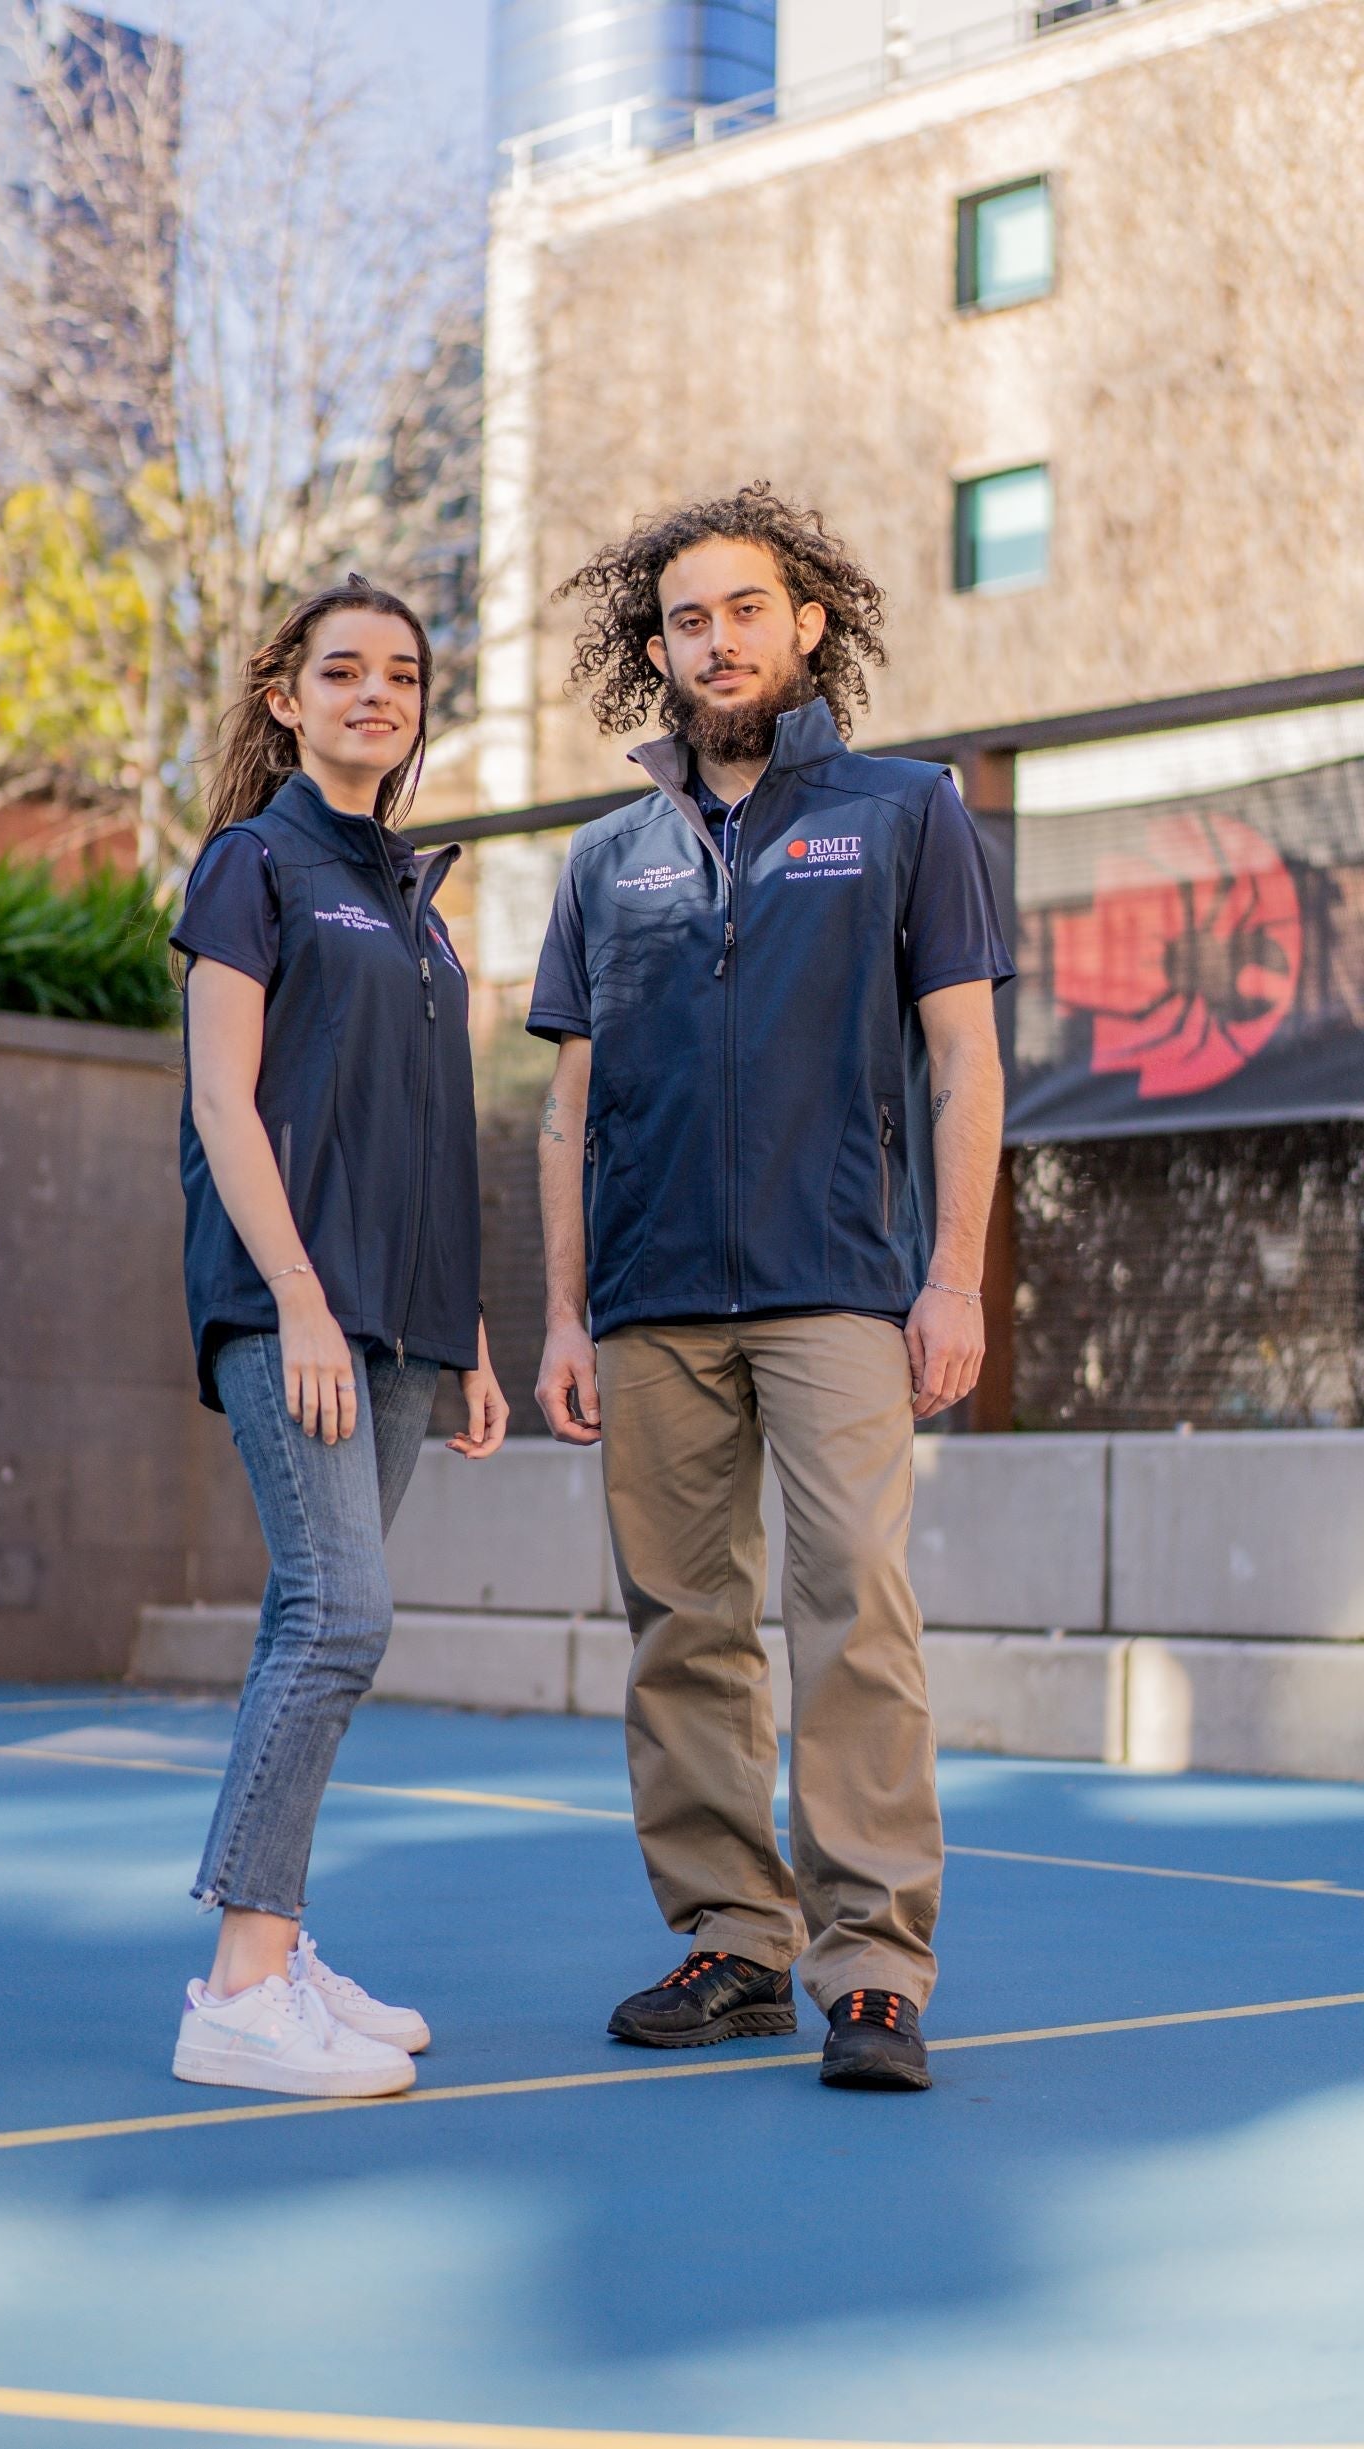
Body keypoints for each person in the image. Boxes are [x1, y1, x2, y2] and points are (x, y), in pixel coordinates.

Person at [529, 484, 1013, 2092]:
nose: (716, 639)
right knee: (684, 1625)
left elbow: (964, 1060)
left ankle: (871, 1965)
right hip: (651, 1297)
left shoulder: (904, 812)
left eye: (746, 609)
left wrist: (952, 1277)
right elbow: (566, 1107)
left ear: (808, 624)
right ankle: (737, 1940)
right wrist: (560, 1310)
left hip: (838, 1290)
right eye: (686, 618)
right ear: (652, 645)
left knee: (854, 1608)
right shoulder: (608, 860)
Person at [167, 575, 507, 2101]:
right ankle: (241, 1988)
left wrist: (474, 1327)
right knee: (338, 1615)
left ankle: (278, 1940)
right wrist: (297, 1293)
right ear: (287, 699)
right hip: (292, 1310)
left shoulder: (420, 908)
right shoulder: (254, 865)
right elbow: (222, 1100)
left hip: (410, 1325)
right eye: (344, 670)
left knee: (314, 1620)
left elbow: (427, 1135)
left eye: (404, 674)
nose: (378, 691)